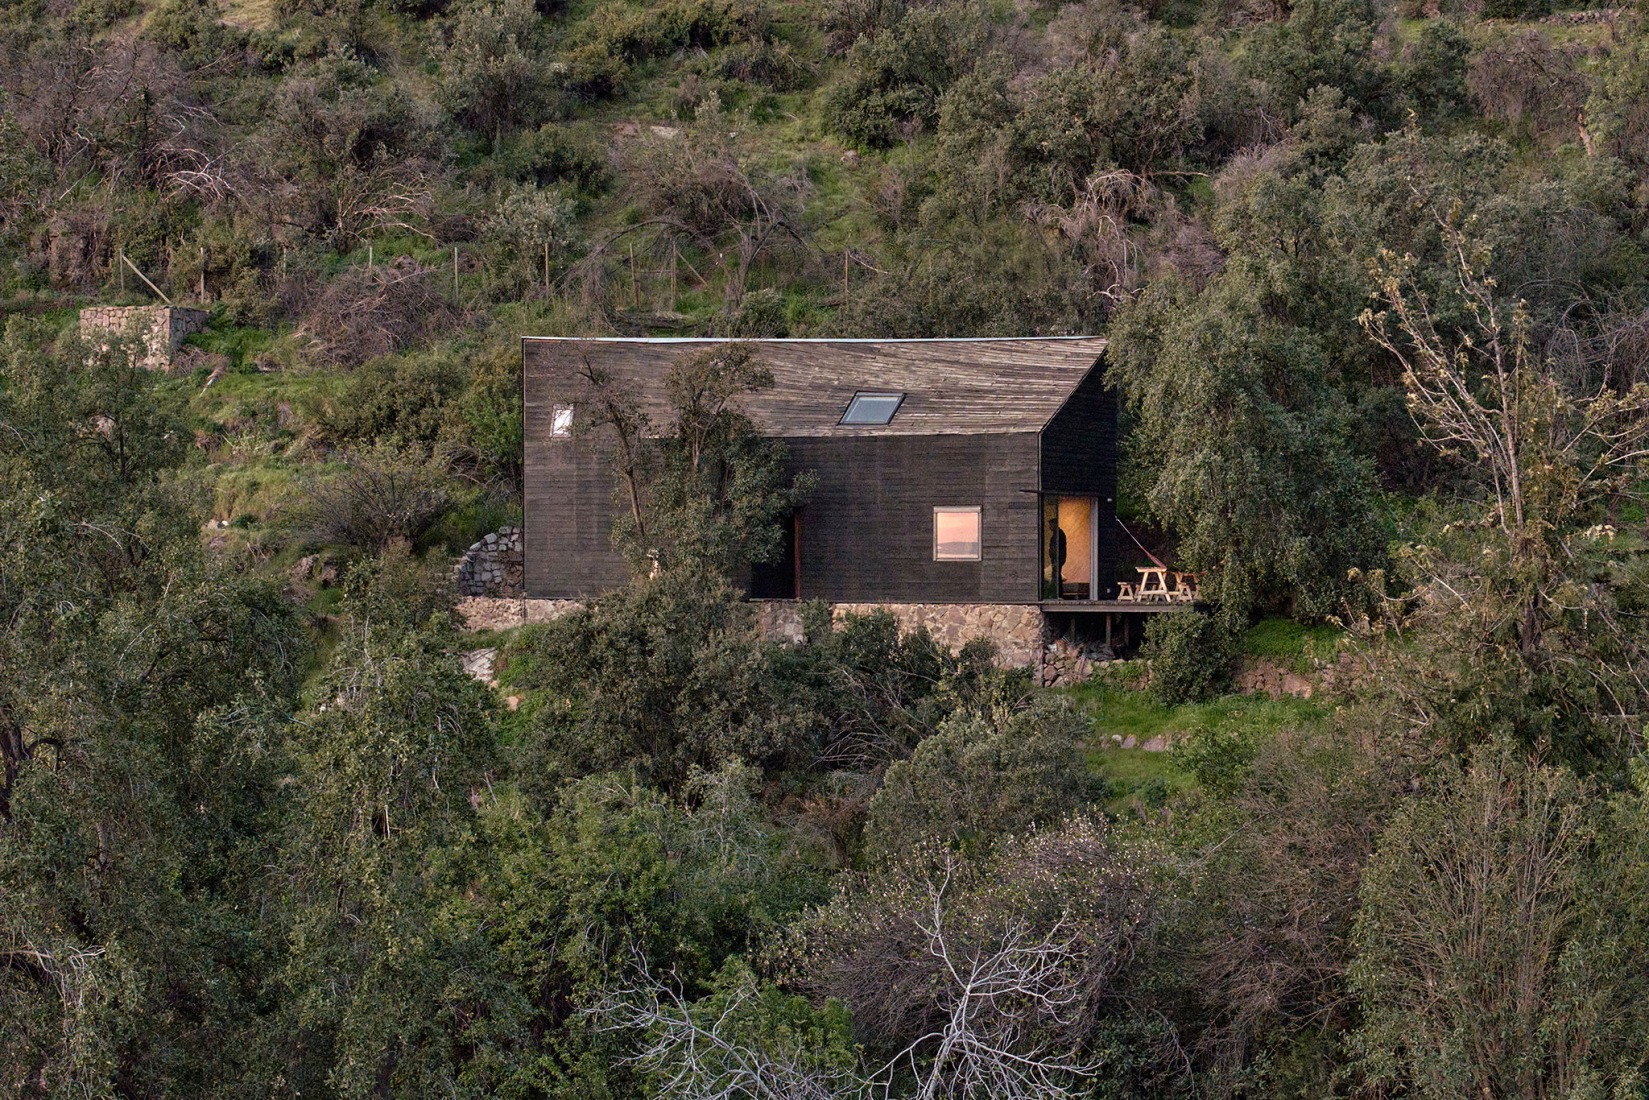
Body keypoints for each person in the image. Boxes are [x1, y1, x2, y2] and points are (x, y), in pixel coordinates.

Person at [1046, 517, 1067, 597]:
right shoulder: (1057, 534)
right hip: (1057, 559)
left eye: (1050, 525)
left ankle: (1058, 594)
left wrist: (1056, 559)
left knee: (1056, 575)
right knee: (1056, 575)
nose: (1049, 527)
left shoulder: (1059, 534)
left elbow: (1058, 548)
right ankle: (1057, 594)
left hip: (1058, 559)